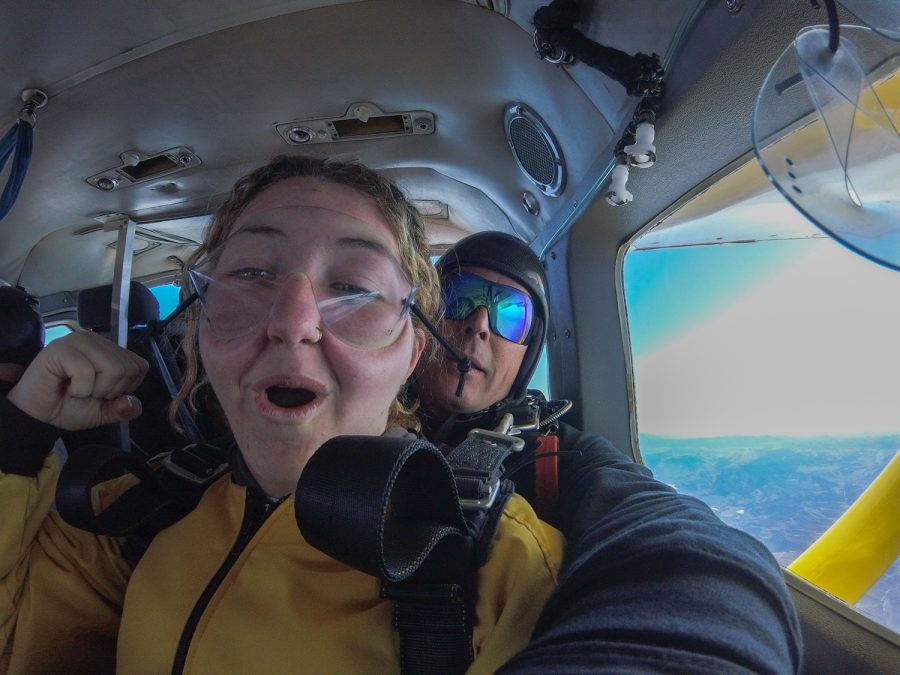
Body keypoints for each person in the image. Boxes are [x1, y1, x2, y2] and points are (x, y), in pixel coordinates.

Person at [0, 156, 564, 673]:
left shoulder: (497, 567)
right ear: (200, 327)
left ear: (413, 351)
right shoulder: (140, 510)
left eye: (353, 286)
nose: (293, 322)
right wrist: (17, 438)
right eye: (251, 273)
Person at [415, 231, 803, 673]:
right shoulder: (348, 412)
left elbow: (676, 535)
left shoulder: (554, 454)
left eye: (510, 314)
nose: (480, 323)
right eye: (459, 298)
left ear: (527, 353)